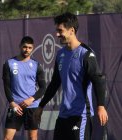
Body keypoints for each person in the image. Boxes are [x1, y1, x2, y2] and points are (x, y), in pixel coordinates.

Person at [34, 12, 108, 140]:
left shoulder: (86, 54)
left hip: (81, 116)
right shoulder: (60, 54)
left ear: (71, 31)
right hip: (63, 116)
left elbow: (98, 80)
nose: (57, 34)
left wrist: (101, 106)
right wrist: (41, 106)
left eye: (60, 30)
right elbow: (55, 83)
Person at [2, 36, 46, 140]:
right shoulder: (9, 63)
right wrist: (12, 103)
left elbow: (43, 88)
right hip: (15, 106)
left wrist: (31, 99)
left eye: (30, 48)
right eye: (25, 47)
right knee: (7, 137)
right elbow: (6, 85)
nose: (27, 50)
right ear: (20, 46)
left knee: (32, 137)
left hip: (32, 107)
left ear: (33, 48)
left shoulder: (36, 65)